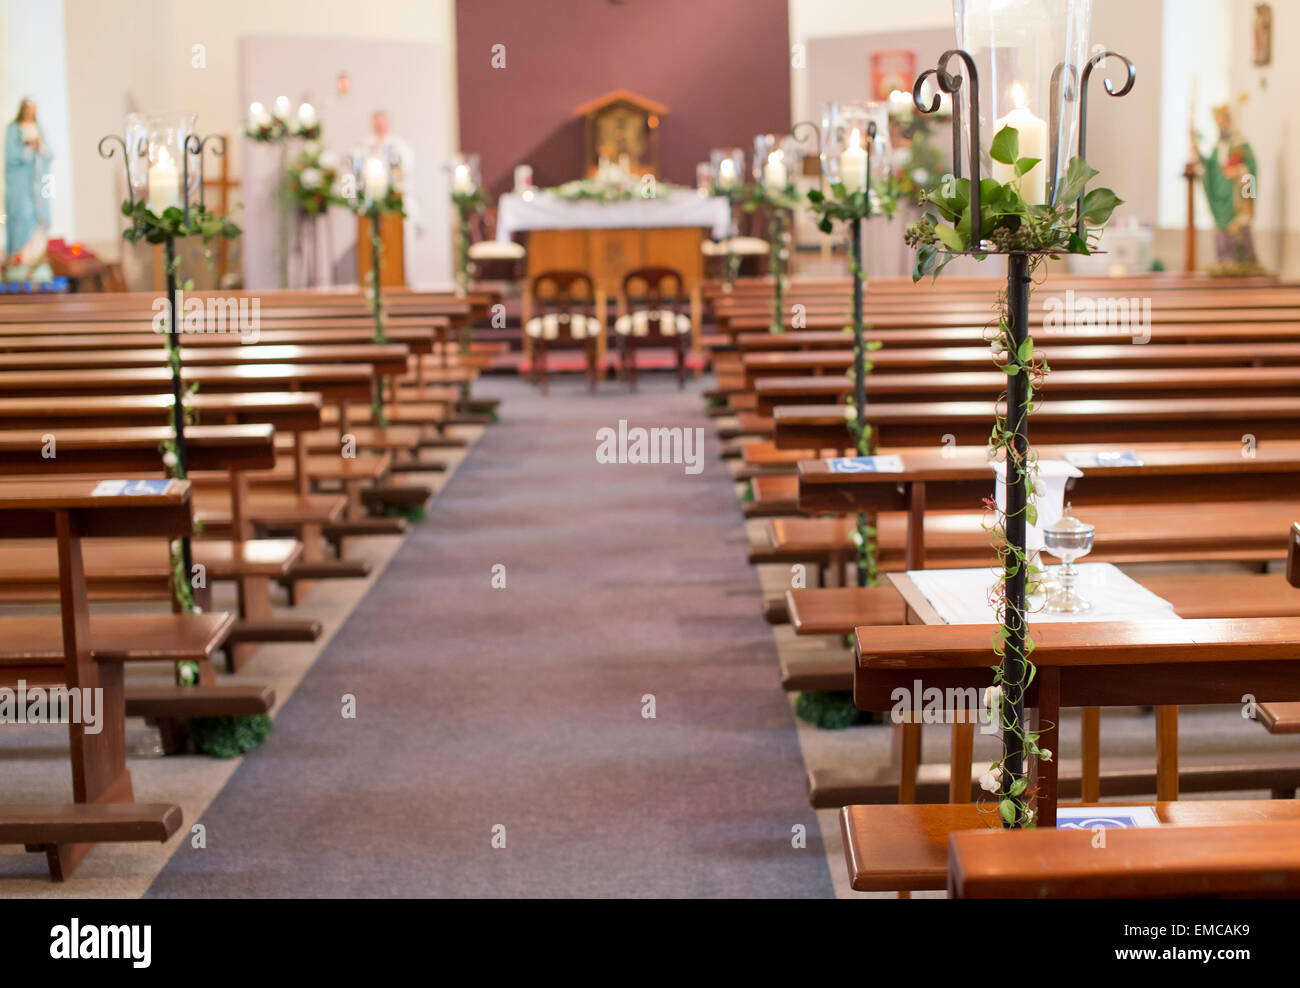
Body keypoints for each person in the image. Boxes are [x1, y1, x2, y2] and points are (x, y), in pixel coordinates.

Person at [361, 110, 418, 280]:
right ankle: (374, 279)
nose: (380, 127)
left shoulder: (400, 147)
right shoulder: (365, 146)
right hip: (372, 202)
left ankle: (403, 279)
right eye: (377, 124)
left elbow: (403, 172)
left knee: (400, 244)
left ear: (389, 124)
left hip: (396, 202)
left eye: (383, 124)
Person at [4, 98, 54, 277]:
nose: (30, 113)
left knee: (38, 220)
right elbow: (11, 158)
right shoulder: (13, 130)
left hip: (37, 185)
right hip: (20, 185)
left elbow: (49, 154)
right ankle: (19, 260)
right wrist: (27, 149)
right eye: (27, 110)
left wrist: (39, 146)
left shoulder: (38, 128)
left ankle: (35, 261)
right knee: (23, 216)